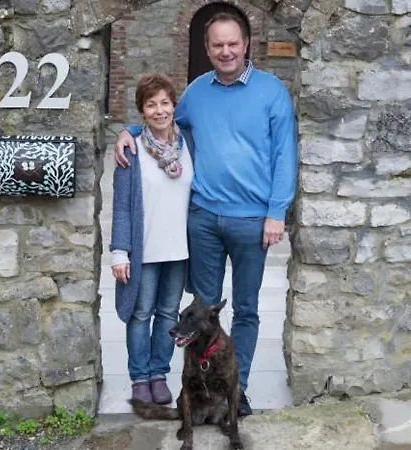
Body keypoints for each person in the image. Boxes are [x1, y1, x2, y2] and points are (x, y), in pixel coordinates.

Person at [114, 12, 297, 416]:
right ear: (208, 48)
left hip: (253, 221)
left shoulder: (271, 91)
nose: (226, 51)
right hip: (204, 219)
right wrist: (129, 130)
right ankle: (201, 388)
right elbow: (162, 122)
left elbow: (286, 154)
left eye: (232, 43)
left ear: (245, 44)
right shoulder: (197, 92)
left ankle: (236, 388)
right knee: (201, 310)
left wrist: (276, 211)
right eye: (218, 45)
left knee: (245, 310)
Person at [110, 73, 193, 404]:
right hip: (144, 249)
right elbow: (121, 208)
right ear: (142, 111)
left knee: (169, 314)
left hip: (179, 249)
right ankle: (139, 378)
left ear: (174, 105)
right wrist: (120, 252)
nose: (160, 111)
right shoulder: (131, 150)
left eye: (165, 103)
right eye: (151, 104)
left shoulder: (189, 143)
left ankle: (159, 373)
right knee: (140, 313)